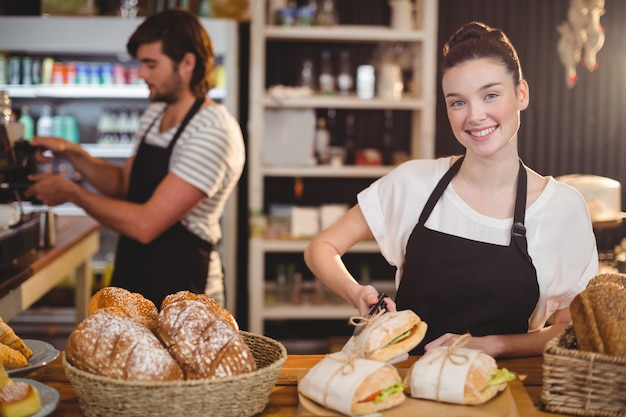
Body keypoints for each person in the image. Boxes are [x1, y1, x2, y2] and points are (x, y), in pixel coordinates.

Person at [304, 21, 598, 358]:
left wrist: (493, 345)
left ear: (521, 94)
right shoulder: (414, 182)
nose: (474, 115)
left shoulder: (562, 208)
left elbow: (572, 330)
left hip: (501, 391)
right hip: (403, 386)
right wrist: (356, 293)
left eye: (490, 95)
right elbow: (321, 248)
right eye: (457, 102)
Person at [25, 9, 245, 308]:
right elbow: (123, 185)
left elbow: (146, 224)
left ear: (187, 63)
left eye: (150, 64)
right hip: (137, 274)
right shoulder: (156, 115)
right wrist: (72, 153)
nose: (141, 73)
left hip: (187, 294)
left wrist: (71, 193)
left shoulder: (212, 131)